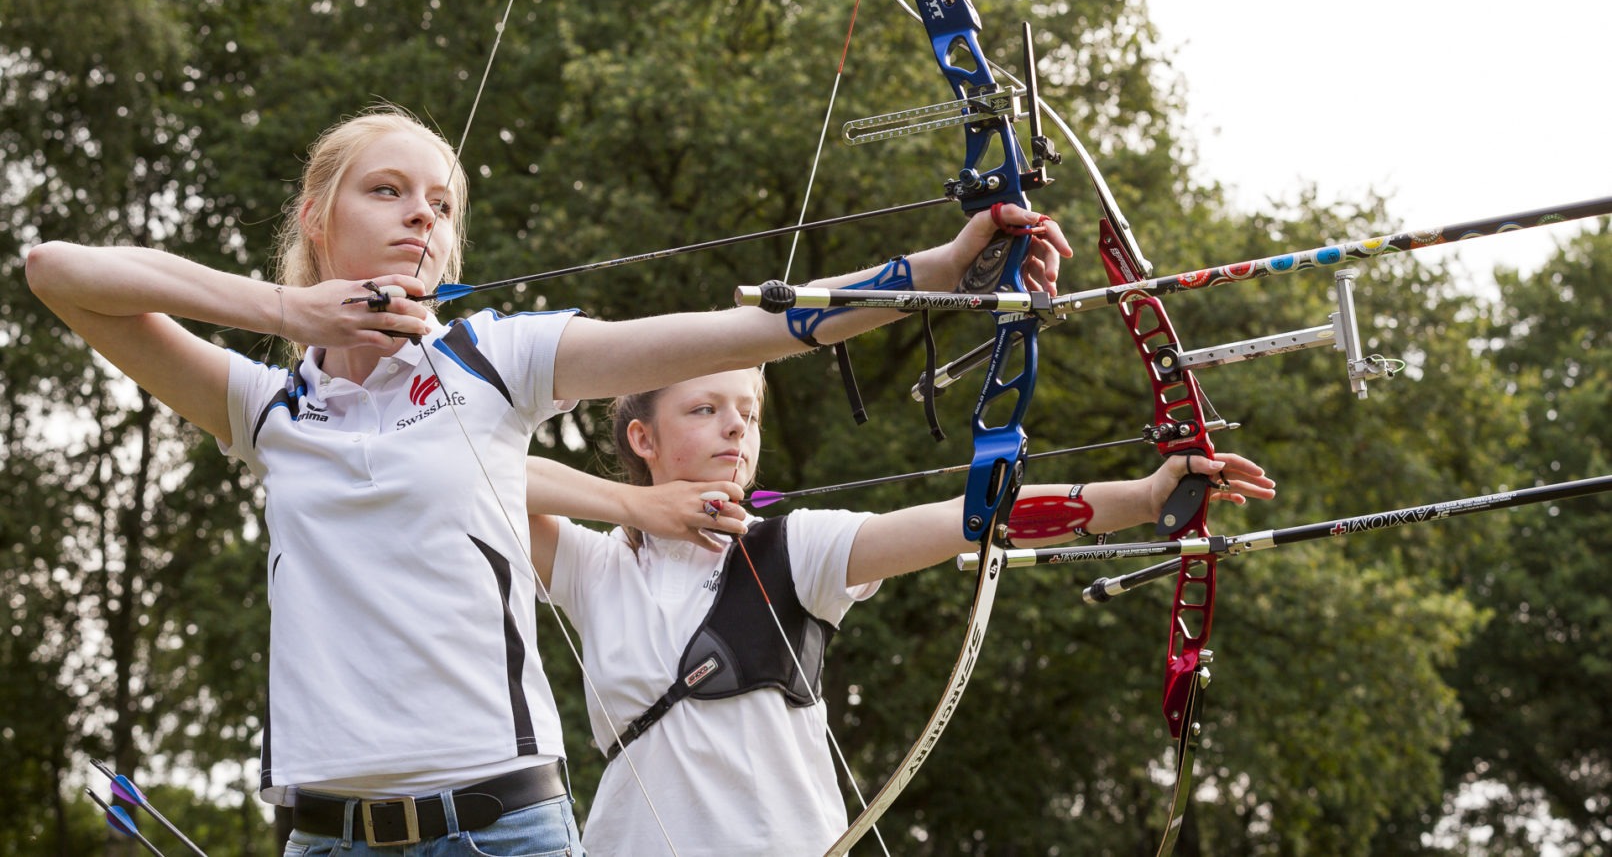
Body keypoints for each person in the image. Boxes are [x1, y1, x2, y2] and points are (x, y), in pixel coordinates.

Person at [24, 105, 1073, 855]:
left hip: (498, 825)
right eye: (386, 191)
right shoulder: (269, 409)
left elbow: (744, 327)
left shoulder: (492, 362)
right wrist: (292, 314)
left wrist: (941, 272)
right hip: (325, 833)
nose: (420, 217)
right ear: (316, 216)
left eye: (440, 204)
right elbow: (55, 272)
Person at [526, 367, 1276, 857]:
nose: (736, 427)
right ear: (641, 437)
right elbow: (480, 466)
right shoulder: (596, 568)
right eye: (705, 408)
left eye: (748, 413)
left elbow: (972, 516)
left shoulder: (795, 546)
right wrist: (634, 506)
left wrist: (1145, 497)